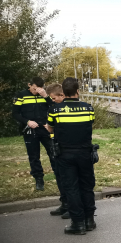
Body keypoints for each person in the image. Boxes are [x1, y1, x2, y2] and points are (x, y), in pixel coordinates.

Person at [45, 77, 96, 235]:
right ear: (77, 91)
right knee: (87, 187)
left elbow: (50, 128)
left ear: (64, 93)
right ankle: (90, 220)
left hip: (65, 154)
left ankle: (78, 223)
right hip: (85, 153)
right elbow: (89, 124)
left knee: (71, 188)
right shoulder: (88, 108)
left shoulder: (55, 110)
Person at [12, 76, 54, 191]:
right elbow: (15, 113)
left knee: (53, 152)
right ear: (29, 85)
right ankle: (39, 179)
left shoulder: (45, 95)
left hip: (45, 129)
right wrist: (27, 122)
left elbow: (54, 108)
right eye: (35, 88)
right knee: (34, 156)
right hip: (30, 130)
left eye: (39, 88)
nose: (37, 91)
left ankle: (59, 174)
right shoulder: (21, 95)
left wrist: (46, 96)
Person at [44, 83, 69, 216]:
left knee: (67, 177)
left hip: (65, 146)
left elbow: (52, 127)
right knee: (59, 175)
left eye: (54, 98)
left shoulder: (65, 108)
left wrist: (49, 127)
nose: (52, 101)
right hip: (56, 145)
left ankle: (70, 205)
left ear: (62, 95)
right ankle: (64, 203)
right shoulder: (55, 108)